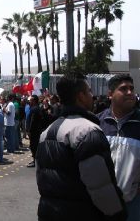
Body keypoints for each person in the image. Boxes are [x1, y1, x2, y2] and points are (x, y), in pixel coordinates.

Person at [36, 73, 126, 220]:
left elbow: (42, 179)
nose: (93, 95)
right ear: (80, 96)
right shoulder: (87, 131)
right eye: (89, 91)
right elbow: (100, 187)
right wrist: (118, 214)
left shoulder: (46, 132)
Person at [97, 74, 140, 221]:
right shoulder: (97, 123)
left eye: (131, 89)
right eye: (123, 89)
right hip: (100, 205)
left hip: (133, 205)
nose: (130, 92)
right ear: (110, 94)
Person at [26, 95, 42, 168]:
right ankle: (35, 160)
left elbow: (33, 121)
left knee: (33, 146)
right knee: (34, 146)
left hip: (34, 131)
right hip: (36, 131)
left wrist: (29, 130)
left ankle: (35, 161)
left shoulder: (35, 109)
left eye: (31, 100)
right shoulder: (35, 108)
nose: (30, 101)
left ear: (34, 101)